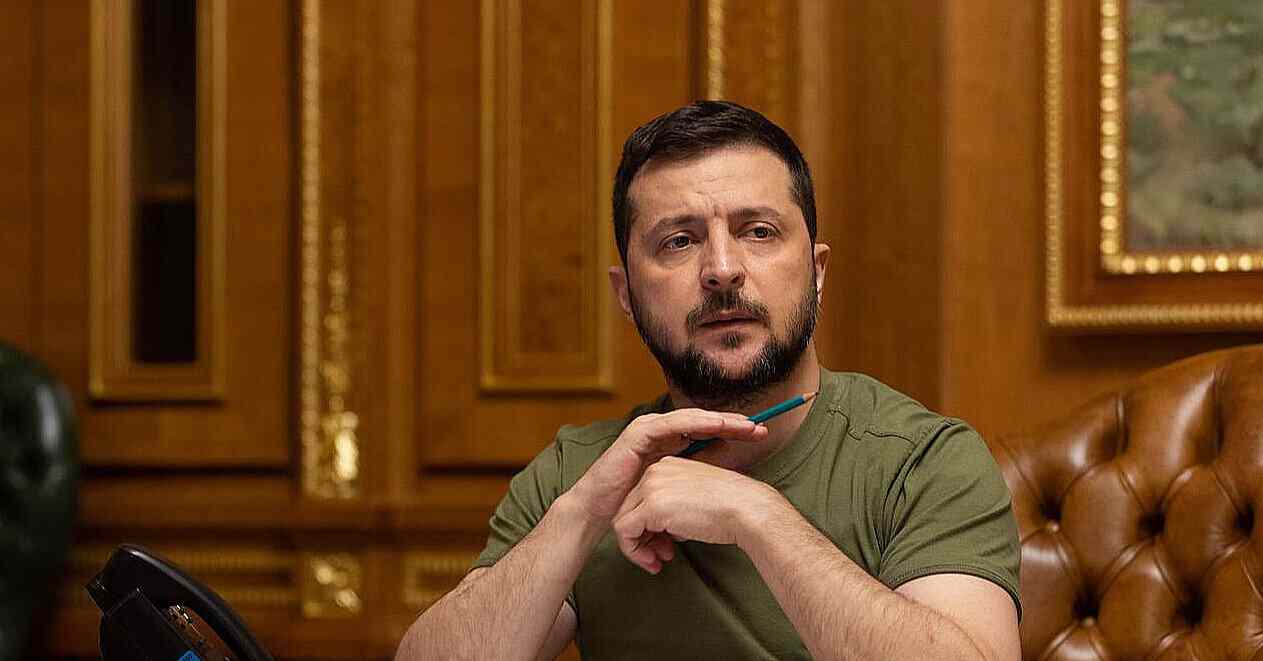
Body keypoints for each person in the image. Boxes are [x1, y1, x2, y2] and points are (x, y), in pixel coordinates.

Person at [396, 101, 1021, 661]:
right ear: (626, 294)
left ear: (816, 271)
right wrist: (583, 514)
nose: (722, 270)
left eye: (758, 232)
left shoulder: (923, 462)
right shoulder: (577, 475)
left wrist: (755, 515)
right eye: (679, 241)